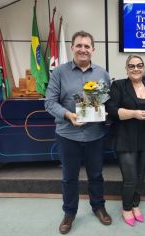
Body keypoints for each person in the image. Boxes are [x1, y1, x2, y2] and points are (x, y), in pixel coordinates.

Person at [45, 31, 112, 234]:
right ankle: (69, 212)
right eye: (79, 45)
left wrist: (106, 112)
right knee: (69, 177)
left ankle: (98, 206)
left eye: (87, 46)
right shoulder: (59, 73)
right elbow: (49, 102)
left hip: (95, 135)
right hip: (67, 135)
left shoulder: (102, 73)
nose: (83, 49)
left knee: (96, 174)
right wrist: (68, 115)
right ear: (73, 47)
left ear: (93, 49)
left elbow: (107, 101)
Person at [105, 54, 145, 227]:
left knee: (140, 177)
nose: (136, 69)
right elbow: (111, 110)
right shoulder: (118, 85)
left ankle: (135, 204)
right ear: (126, 68)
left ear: (143, 67)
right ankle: (126, 208)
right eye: (131, 66)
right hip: (125, 139)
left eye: (139, 65)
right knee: (130, 178)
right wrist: (133, 113)